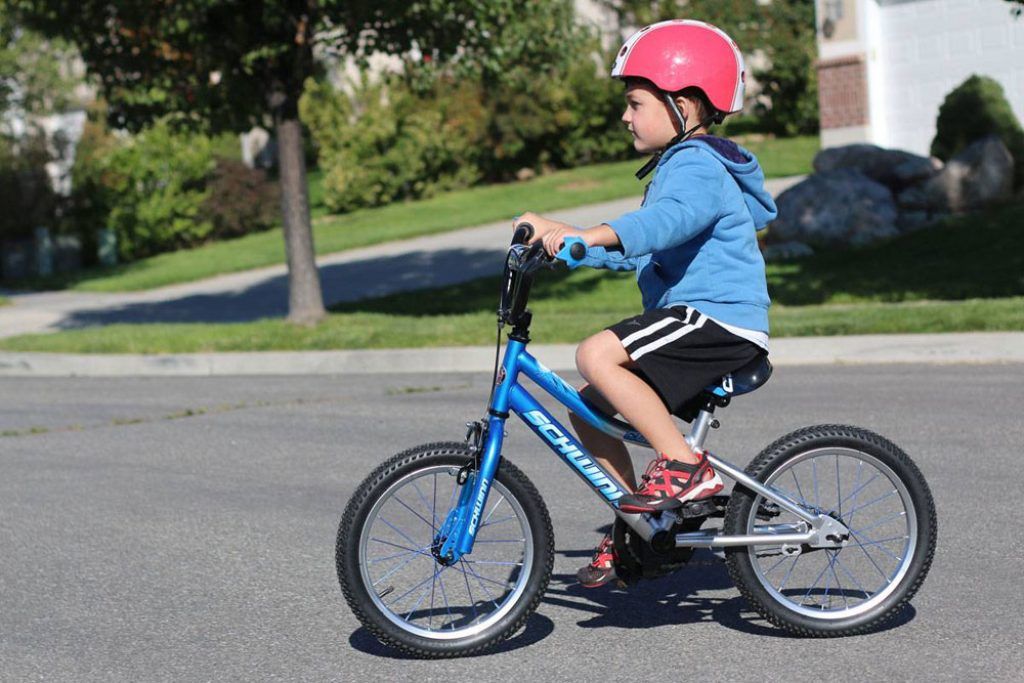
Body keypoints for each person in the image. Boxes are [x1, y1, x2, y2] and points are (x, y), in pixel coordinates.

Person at [512, 19, 777, 588]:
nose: (625, 117)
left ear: (681, 103)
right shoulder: (681, 167)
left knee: (596, 355)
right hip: (692, 316)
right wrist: (569, 240)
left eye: (635, 103)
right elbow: (644, 253)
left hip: (717, 320)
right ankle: (640, 524)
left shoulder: (697, 164)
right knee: (590, 411)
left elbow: (660, 224)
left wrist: (597, 232)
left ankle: (683, 466)